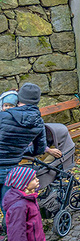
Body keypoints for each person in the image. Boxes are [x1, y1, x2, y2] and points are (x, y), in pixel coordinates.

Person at [0, 83, 48, 212]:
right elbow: (39, 149)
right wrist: (21, 151)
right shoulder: (38, 122)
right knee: (8, 206)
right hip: (12, 170)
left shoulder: (4, 116)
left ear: (19, 98)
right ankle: (12, 231)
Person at [2, 167, 47, 241]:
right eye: (34, 178)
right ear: (24, 184)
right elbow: (16, 234)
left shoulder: (29, 197)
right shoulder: (19, 207)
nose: (37, 179)